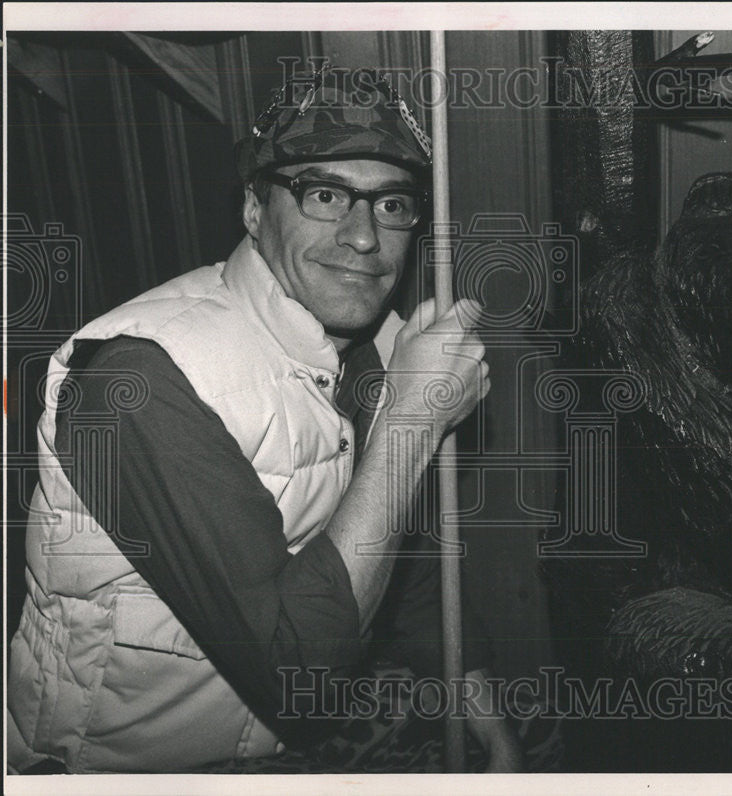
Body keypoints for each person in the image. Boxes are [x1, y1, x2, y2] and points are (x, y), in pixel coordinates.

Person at [7, 69, 524, 773]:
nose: (364, 238)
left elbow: (401, 564)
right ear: (254, 209)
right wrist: (411, 424)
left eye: (392, 203)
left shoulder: (377, 346)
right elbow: (299, 679)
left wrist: (472, 689)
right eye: (323, 195)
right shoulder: (141, 380)